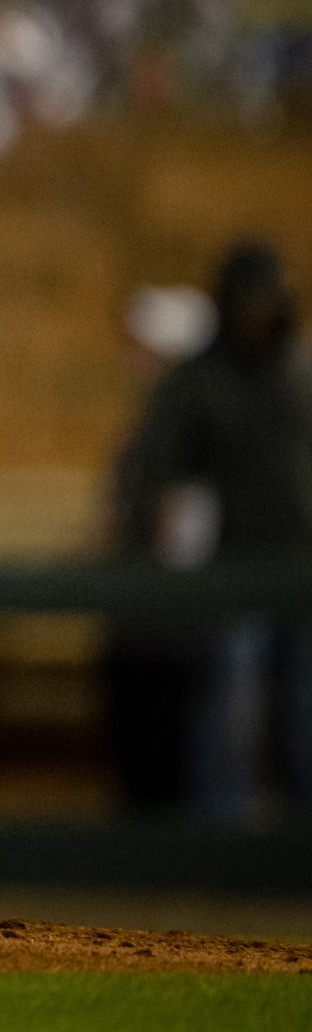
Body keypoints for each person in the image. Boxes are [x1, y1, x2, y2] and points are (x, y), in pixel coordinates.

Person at [109, 241, 312, 824]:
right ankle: (219, 839)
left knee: (301, 710)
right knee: (231, 708)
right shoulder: (200, 380)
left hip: (299, 567)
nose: (257, 314)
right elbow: (159, 473)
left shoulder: (298, 373)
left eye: (266, 301)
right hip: (230, 573)